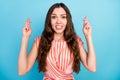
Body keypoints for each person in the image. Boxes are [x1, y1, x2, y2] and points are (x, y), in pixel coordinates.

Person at [18, 3, 96, 80]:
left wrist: (88, 36)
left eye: (63, 17)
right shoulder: (40, 41)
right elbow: (22, 71)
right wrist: (25, 37)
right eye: (54, 17)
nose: (58, 21)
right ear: (49, 20)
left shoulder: (75, 41)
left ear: (67, 20)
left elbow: (92, 67)